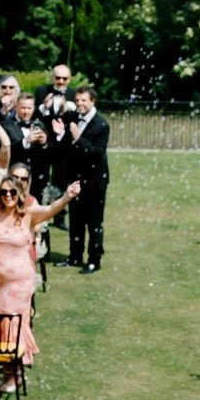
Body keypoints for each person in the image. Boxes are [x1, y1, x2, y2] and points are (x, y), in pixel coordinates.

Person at [0, 174, 79, 390]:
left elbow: (51, 209)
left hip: (19, 284)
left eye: (12, 192)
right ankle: (7, 371)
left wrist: (67, 196)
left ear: (19, 193)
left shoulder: (29, 213)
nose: (8, 195)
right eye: (4, 192)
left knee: (14, 323)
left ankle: (16, 374)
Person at [67, 85, 110, 273]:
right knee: (75, 220)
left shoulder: (101, 125)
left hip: (94, 181)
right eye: (77, 100)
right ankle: (75, 256)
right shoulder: (73, 118)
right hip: (76, 179)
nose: (80, 104)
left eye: (84, 100)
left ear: (92, 101)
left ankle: (94, 259)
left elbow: (96, 153)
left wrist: (78, 138)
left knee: (94, 222)